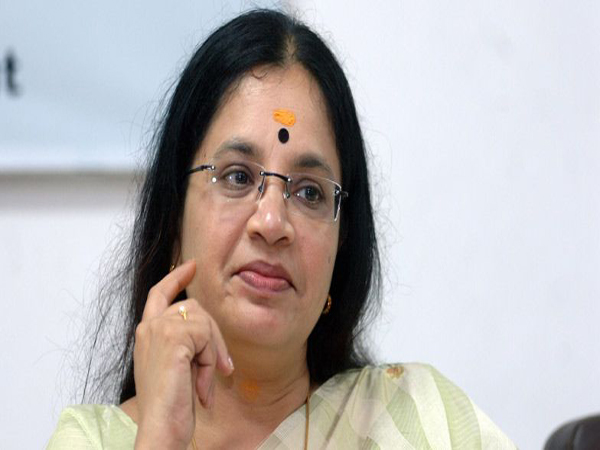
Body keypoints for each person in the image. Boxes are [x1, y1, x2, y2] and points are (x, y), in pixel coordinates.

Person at [48, 9, 515, 449]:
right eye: (237, 177)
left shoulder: (424, 420)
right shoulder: (92, 441)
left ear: (342, 243)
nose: (272, 223)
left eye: (309, 192)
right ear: (174, 220)